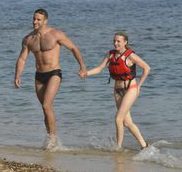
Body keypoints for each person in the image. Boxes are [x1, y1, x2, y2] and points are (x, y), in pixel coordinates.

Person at [14, 8, 87, 149]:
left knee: (46, 105)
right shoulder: (28, 39)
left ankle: (53, 141)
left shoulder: (56, 34)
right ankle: (49, 139)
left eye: (38, 19)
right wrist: (17, 75)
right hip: (39, 75)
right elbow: (22, 58)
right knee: (45, 109)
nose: (35, 21)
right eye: (34, 19)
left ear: (45, 20)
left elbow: (73, 48)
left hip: (54, 73)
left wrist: (82, 66)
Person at [85, 31, 150, 150]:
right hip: (117, 90)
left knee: (118, 119)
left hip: (131, 88)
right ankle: (144, 145)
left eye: (118, 41)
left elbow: (147, 68)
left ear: (125, 42)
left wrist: (139, 86)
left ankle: (118, 148)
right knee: (126, 122)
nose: (115, 43)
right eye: (114, 41)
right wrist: (86, 73)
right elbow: (99, 68)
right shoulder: (110, 55)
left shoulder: (130, 55)